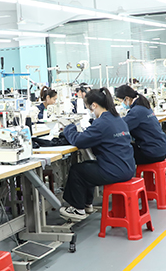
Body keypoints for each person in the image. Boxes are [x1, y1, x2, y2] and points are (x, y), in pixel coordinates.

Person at [58, 88, 135, 222]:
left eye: (89, 108)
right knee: (88, 166)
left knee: (77, 170)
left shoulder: (102, 123)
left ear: (94, 105)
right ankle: (87, 204)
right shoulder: (118, 119)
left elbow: (79, 141)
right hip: (128, 167)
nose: (90, 111)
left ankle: (77, 209)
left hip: (116, 170)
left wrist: (69, 128)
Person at [115, 84, 166, 165]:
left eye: (121, 101)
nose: (122, 104)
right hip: (160, 150)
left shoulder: (136, 111)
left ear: (127, 98)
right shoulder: (144, 106)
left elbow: (121, 126)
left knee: (119, 150)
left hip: (151, 153)